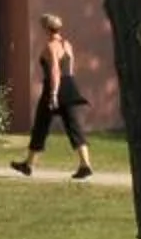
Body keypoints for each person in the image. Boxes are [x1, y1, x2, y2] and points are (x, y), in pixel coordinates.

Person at [15, 12, 96, 180]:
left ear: (46, 28)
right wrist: (67, 85)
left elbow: (54, 71)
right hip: (70, 86)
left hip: (54, 88)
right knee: (74, 127)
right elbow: (70, 67)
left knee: (40, 126)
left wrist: (53, 94)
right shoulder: (67, 45)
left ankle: (28, 164)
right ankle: (85, 164)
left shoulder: (50, 46)